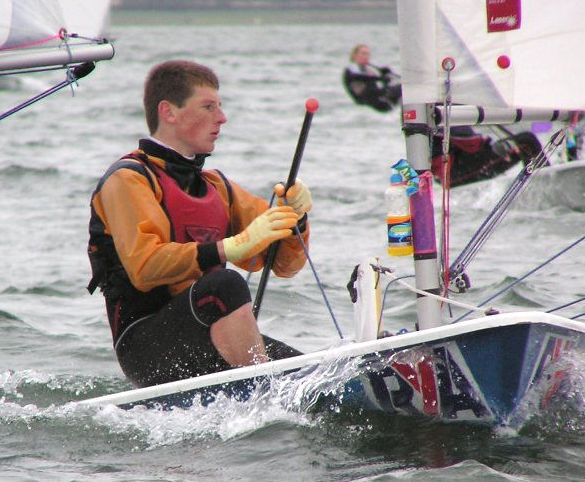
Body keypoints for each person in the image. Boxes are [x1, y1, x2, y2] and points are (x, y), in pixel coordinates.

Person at [87, 60, 312, 388]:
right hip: (147, 348)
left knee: (309, 375)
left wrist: (296, 218)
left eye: (220, 107)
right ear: (169, 112)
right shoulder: (128, 179)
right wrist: (231, 246)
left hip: (207, 333)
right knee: (225, 283)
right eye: (208, 107)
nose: (222, 118)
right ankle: (266, 395)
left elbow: (285, 265)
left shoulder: (217, 187)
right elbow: (145, 266)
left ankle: (273, 390)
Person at [342, 44, 401, 112]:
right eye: (363, 54)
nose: (366, 56)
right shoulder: (351, 69)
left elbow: (379, 80)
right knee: (401, 88)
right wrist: (380, 78)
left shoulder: (369, 69)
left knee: (401, 87)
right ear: (355, 55)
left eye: (368, 54)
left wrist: (384, 73)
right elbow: (360, 77)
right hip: (367, 100)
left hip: (379, 97)